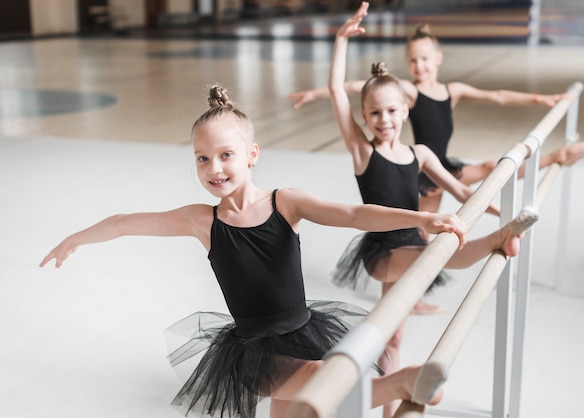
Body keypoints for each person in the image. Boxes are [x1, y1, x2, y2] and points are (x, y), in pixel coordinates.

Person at [38, 84, 478, 418]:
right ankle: (401, 383)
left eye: (225, 155)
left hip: (304, 329)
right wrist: (75, 238)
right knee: (312, 382)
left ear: (251, 155)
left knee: (307, 398)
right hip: (252, 348)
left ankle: (401, 383)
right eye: (202, 159)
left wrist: (420, 219)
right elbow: (123, 223)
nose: (214, 168)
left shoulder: (285, 202)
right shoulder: (201, 220)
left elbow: (354, 214)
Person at [326, 3, 537, 417]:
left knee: (392, 339)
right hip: (383, 251)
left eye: (391, 111)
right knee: (440, 251)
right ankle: (501, 238)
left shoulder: (419, 153)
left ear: (406, 110)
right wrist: (339, 42)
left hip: (410, 243)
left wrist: (496, 205)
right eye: (374, 113)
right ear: (364, 116)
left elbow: (460, 188)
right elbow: (336, 92)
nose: (384, 119)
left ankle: (386, 408)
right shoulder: (362, 152)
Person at [288, 12, 584, 214]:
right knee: (422, 229)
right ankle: (412, 290)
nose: (419, 66)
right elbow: (357, 87)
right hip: (424, 170)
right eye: (413, 61)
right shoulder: (409, 91)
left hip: (441, 163)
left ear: (438, 58)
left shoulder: (453, 90)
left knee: (491, 168)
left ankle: (559, 155)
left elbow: (497, 96)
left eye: (424, 60)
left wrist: (540, 99)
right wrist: (316, 92)